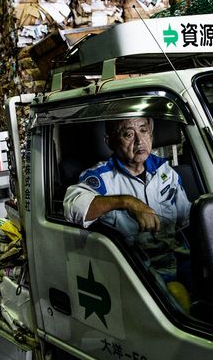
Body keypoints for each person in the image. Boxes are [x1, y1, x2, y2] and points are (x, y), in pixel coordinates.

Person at [63, 117, 192, 287]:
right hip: (134, 273)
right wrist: (127, 202)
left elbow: (186, 219)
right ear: (110, 141)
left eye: (144, 130)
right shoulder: (102, 177)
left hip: (175, 260)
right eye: (128, 134)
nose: (139, 141)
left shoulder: (166, 172)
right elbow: (74, 209)